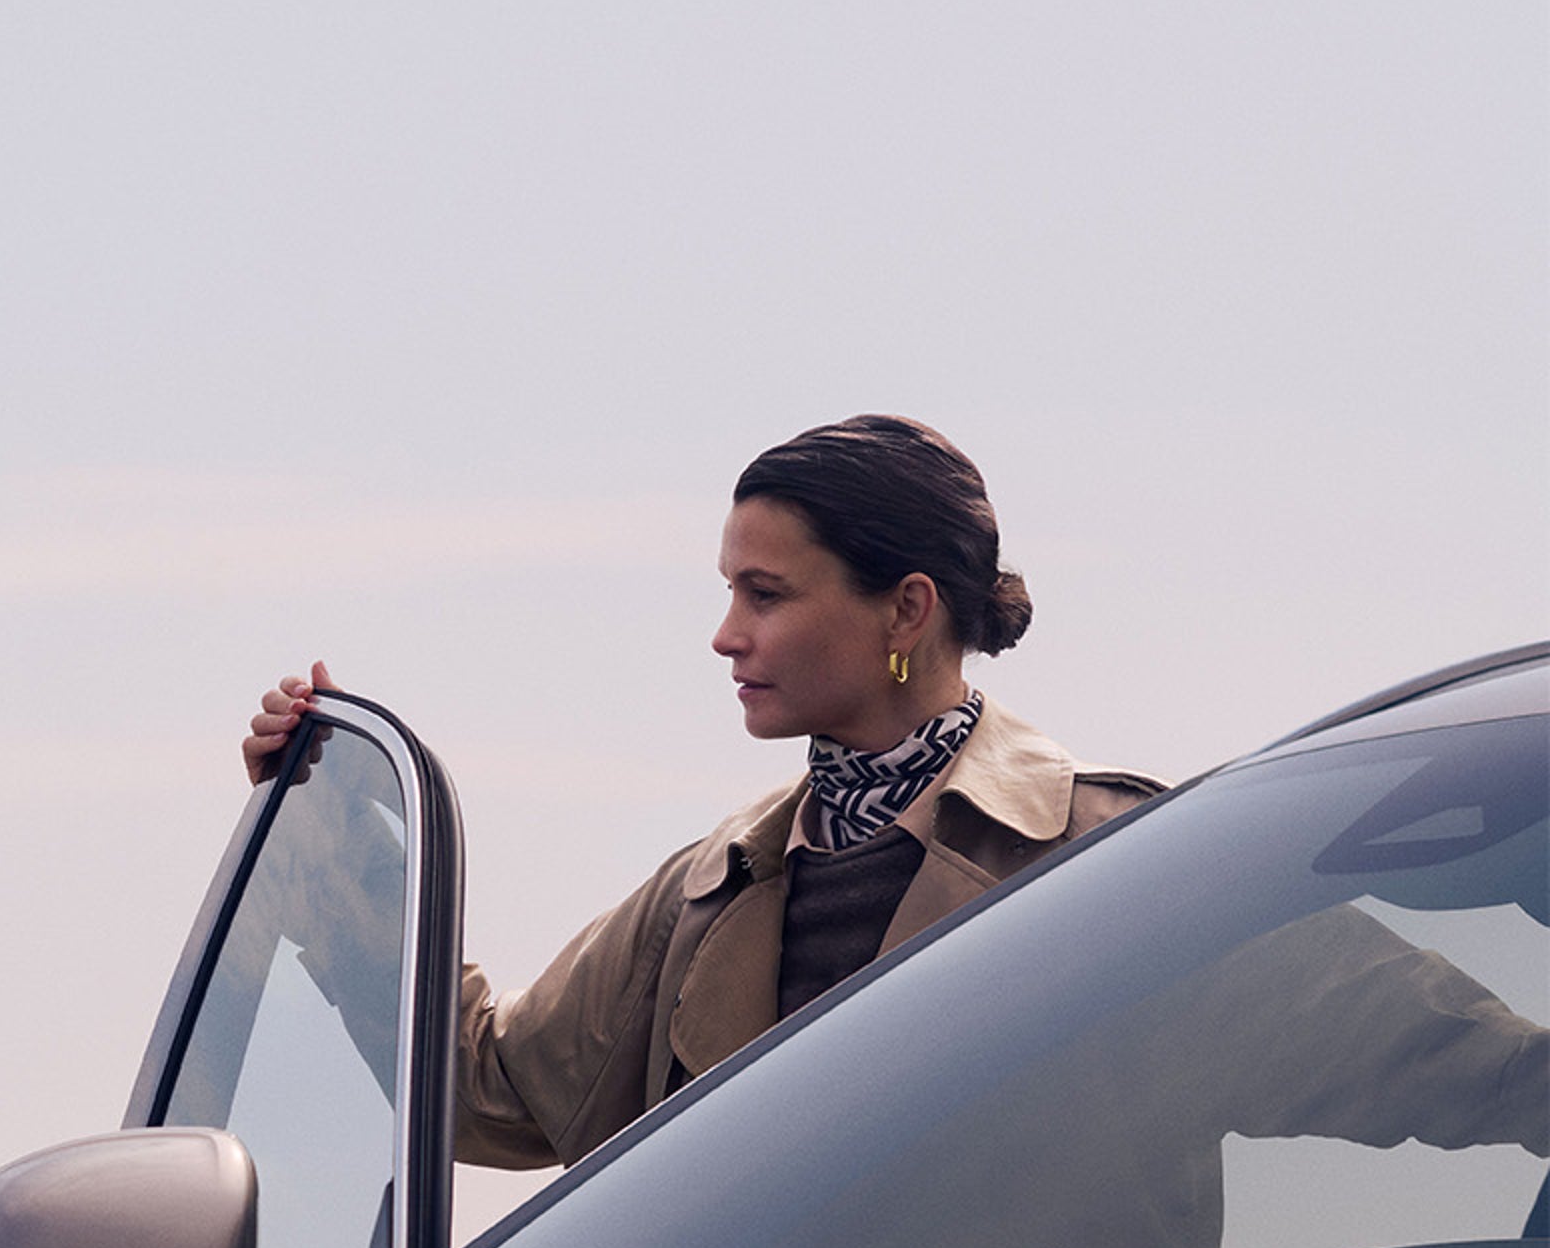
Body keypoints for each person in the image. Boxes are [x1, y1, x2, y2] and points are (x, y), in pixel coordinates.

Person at [238, 415, 1162, 1174]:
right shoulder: (712, 885)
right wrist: (335, 835)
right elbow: (491, 1087)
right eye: (731, 593)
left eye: (765, 595)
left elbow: (1295, 1084)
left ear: (907, 609)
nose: (725, 636)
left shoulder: (1119, 858)